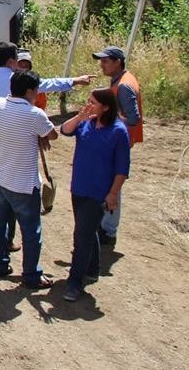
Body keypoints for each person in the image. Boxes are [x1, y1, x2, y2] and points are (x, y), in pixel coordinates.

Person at [0, 41, 91, 246]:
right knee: (11, 184)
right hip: (13, 137)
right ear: (11, 61)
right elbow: (49, 84)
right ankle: (7, 239)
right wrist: (75, 81)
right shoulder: (20, 81)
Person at [0, 70, 59, 289]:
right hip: (23, 184)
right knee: (31, 231)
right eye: (37, 90)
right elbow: (52, 134)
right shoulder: (34, 114)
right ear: (30, 91)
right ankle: (31, 275)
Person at [59, 88, 130, 301]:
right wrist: (80, 116)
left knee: (81, 236)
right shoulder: (87, 123)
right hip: (79, 188)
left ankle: (74, 282)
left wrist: (113, 194)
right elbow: (64, 130)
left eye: (93, 102)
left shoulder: (118, 131)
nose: (88, 105)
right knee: (88, 231)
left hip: (98, 192)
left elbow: (122, 168)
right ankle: (92, 268)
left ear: (106, 106)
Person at [92, 45, 142, 246]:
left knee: (113, 184)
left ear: (117, 62)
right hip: (117, 141)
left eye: (105, 61)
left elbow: (133, 118)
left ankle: (108, 229)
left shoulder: (123, 85)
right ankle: (106, 225)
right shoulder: (123, 80)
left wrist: (106, 118)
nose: (101, 65)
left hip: (117, 143)